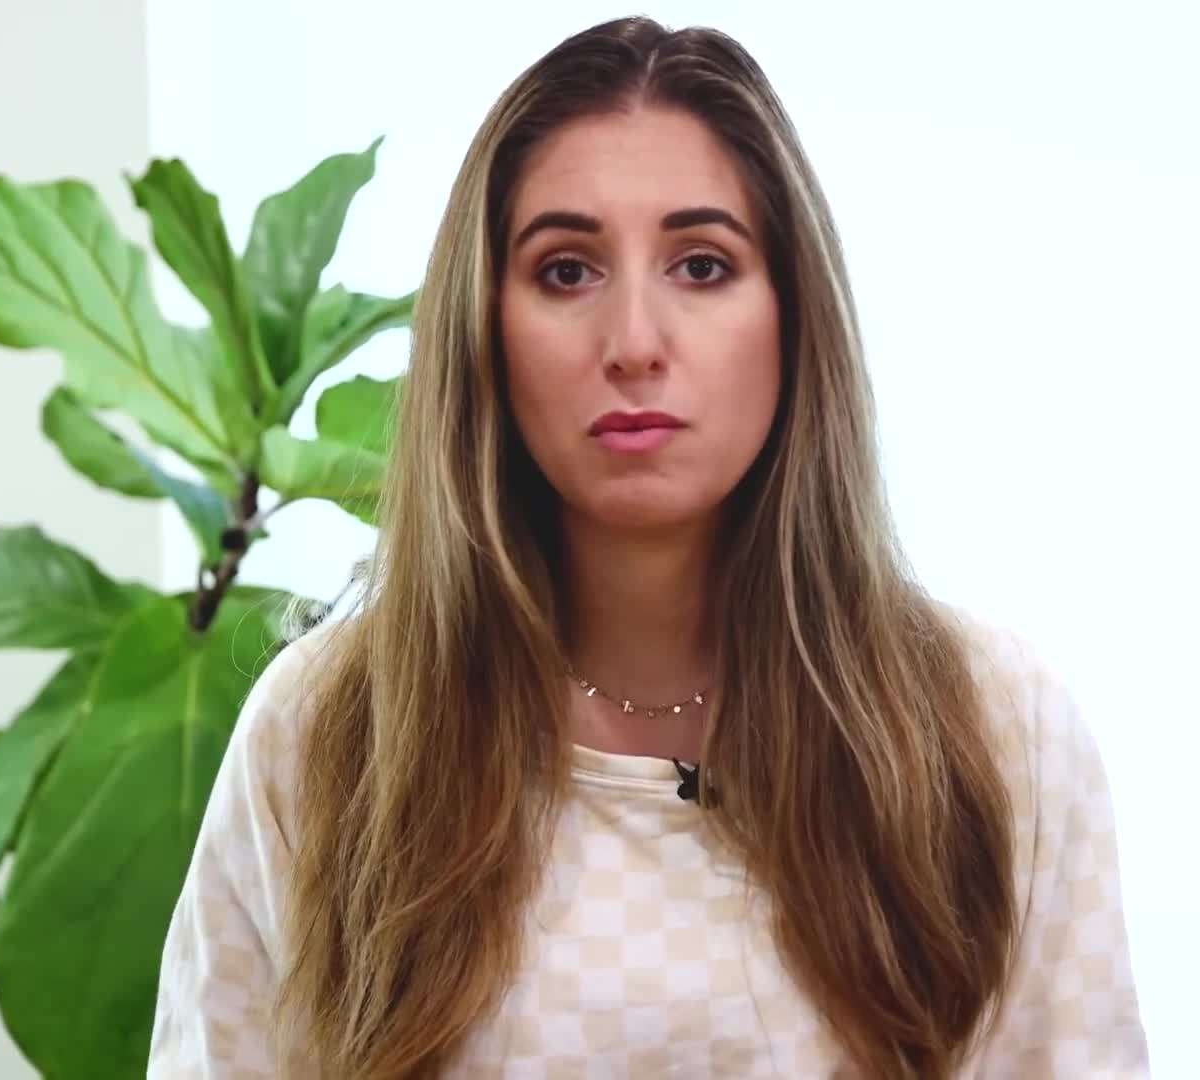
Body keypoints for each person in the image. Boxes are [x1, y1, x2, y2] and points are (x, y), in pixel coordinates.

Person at [149, 15, 1147, 1079]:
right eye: (568, 271)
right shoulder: (331, 734)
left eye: (703, 265)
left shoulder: (993, 728)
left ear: (794, 313)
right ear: (483, 327)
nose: (634, 344)